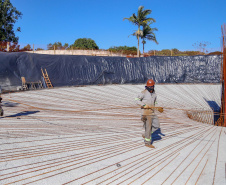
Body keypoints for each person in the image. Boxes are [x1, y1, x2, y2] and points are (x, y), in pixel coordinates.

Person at [135, 79, 163, 148]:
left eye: (152, 86)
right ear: (147, 86)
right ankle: (147, 142)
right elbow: (137, 100)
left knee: (156, 125)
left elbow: (155, 102)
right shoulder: (143, 93)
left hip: (152, 112)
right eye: (150, 87)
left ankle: (146, 134)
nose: (151, 88)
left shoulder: (154, 94)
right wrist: (144, 105)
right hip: (146, 113)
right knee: (148, 128)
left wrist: (158, 108)